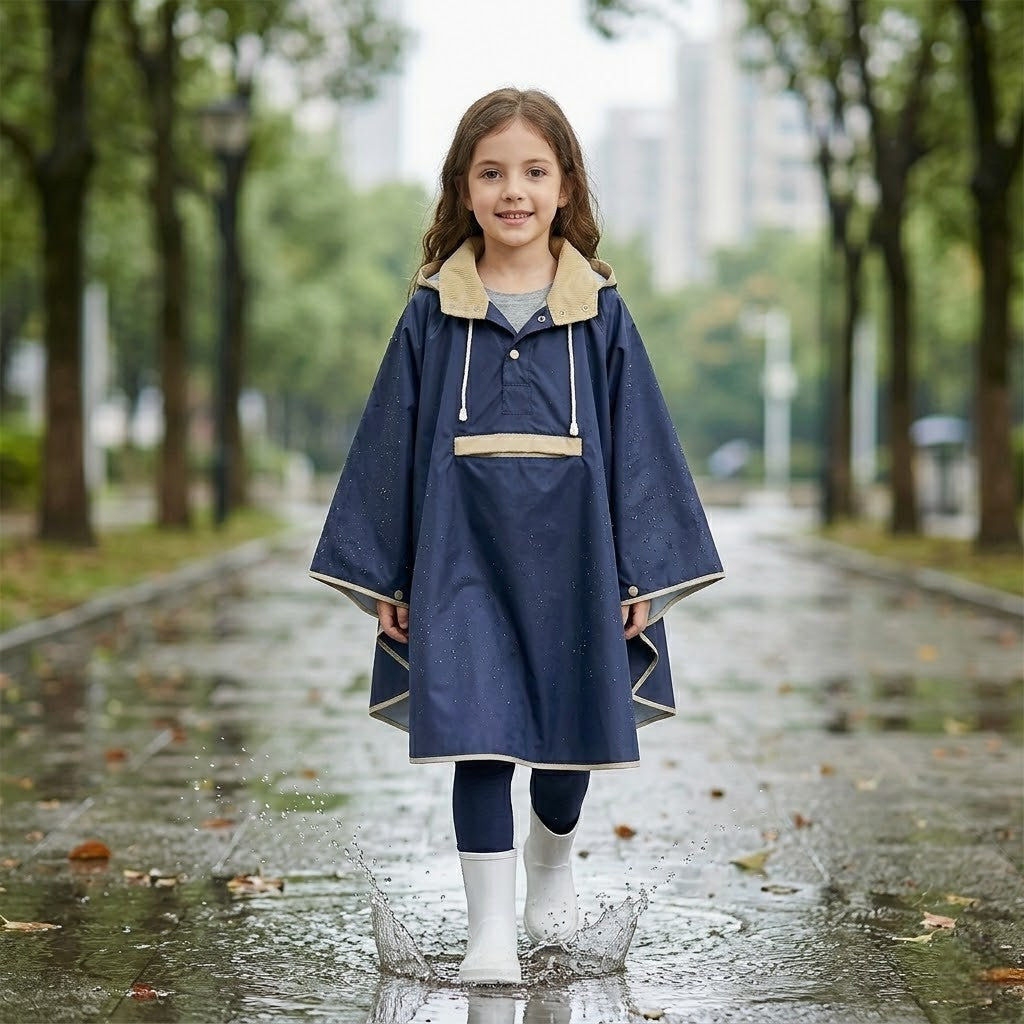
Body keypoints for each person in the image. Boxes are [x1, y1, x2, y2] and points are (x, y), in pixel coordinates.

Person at [310, 87, 723, 985]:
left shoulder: (601, 311)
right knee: (480, 737)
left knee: (569, 748)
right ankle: (489, 935)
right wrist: (387, 573)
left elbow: (640, 438)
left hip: (577, 559)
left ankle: (551, 858)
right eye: (491, 172)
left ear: (566, 186)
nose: (513, 191)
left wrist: (640, 569)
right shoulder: (432, 310)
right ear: (463, 189)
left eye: (534, 172)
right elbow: (390, 435)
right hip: (459, 560)